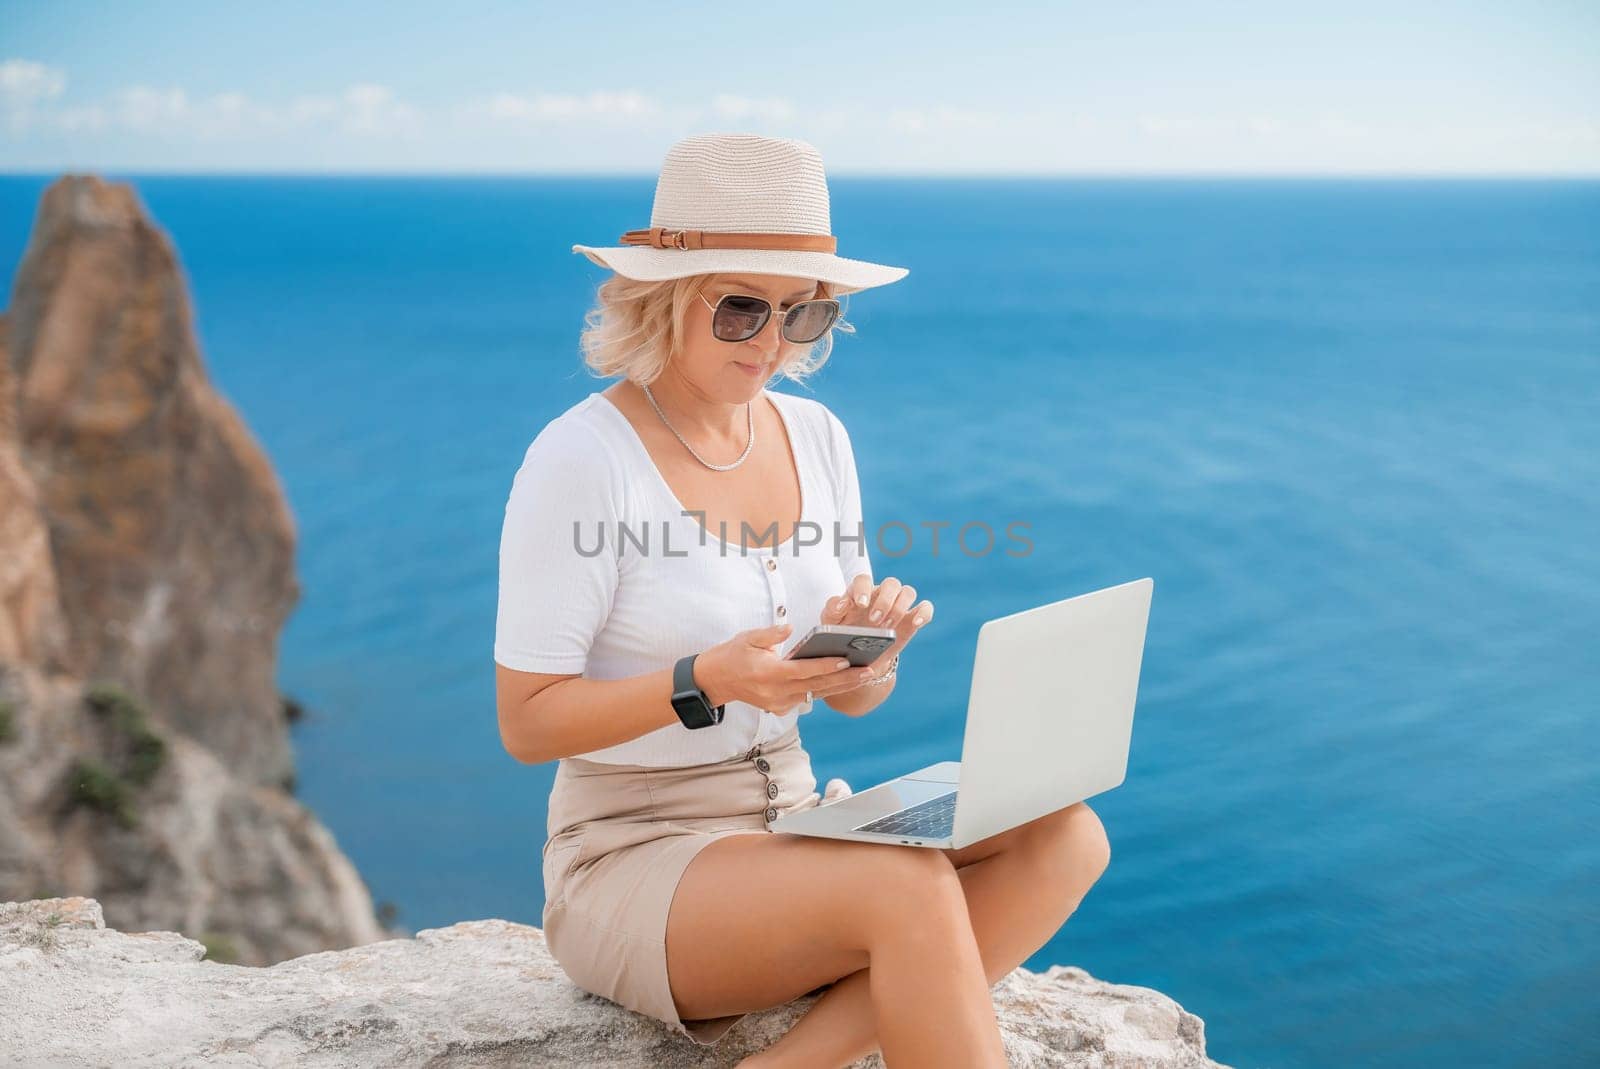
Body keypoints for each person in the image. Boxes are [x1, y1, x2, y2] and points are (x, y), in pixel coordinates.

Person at [494, 133, 1111, 1069]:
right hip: (632, 851)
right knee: (901, 890)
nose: (776, 343)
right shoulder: (582, 459)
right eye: (742, 309)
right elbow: (527, 722)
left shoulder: (817, 436)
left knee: (1067, 834)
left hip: (793, 820)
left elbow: (855, 701)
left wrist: (866, 656)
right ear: (662, 298)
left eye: (805, 314)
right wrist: (705, 679)